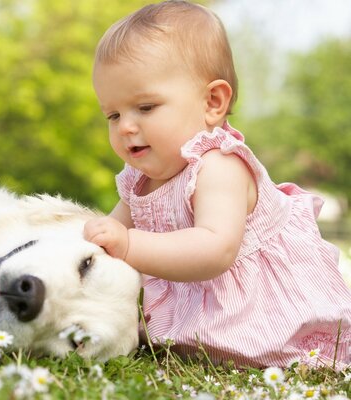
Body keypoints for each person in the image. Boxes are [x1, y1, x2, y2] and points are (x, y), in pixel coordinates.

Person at [83, 0, 351, 368]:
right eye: (113, 115)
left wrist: (128, 244)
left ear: (213, 102)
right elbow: (110, 231)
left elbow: (214, 249)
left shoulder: (220, 165)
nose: (125, 126)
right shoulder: (138, 180)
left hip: (259, 309)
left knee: (288, 353)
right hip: (197, 309)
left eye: (145, 108)